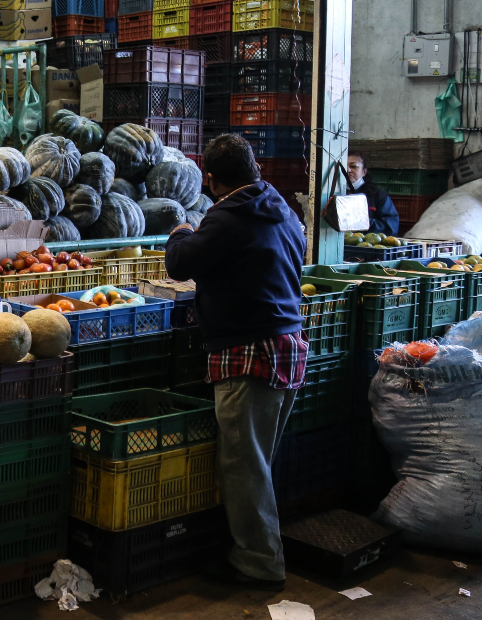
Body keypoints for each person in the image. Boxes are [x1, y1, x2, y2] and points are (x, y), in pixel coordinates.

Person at [164, 134, 308, 592]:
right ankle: (257, 551)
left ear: (210, 178)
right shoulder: (279, 206)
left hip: (249, 353)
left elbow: (180, 263)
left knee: (244, 466)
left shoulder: (227, 218)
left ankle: (259, 564)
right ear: (255, 168)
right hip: (287, 346)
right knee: (258, 462)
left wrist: (181, 231)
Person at [347, 151, 399, 237]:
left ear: (364, 171)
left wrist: (363, 222)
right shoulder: (333, 194)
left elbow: (391, 228)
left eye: (353, 166)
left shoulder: (378, 195)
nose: (348, 170)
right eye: (344, 166)